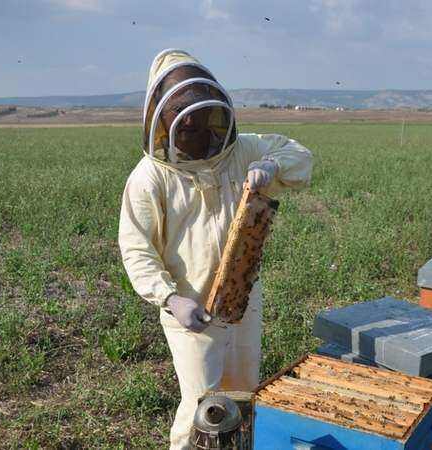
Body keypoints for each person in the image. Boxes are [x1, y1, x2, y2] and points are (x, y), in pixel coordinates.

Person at [118, 49, 313, 449]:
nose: (194, 128)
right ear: (165, 121)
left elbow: (301, 157)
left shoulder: (240, 151)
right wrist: (170, 298)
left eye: (200, 118)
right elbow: (137, 250)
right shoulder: (149, 178)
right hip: (192, 311)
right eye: (184, 122)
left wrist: (272, 166)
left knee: (242, 395)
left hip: (242, 301)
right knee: (201, 405)